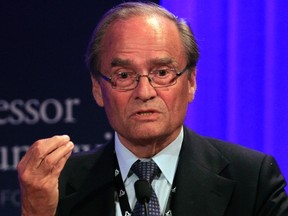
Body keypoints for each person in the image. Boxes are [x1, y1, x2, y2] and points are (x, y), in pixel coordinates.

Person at [17, 2, 288, 216]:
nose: (145, 92)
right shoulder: (57, 185)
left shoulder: (252, 180)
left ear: (191, 82)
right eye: (124, 75)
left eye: (161, 72)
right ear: (98, 89)